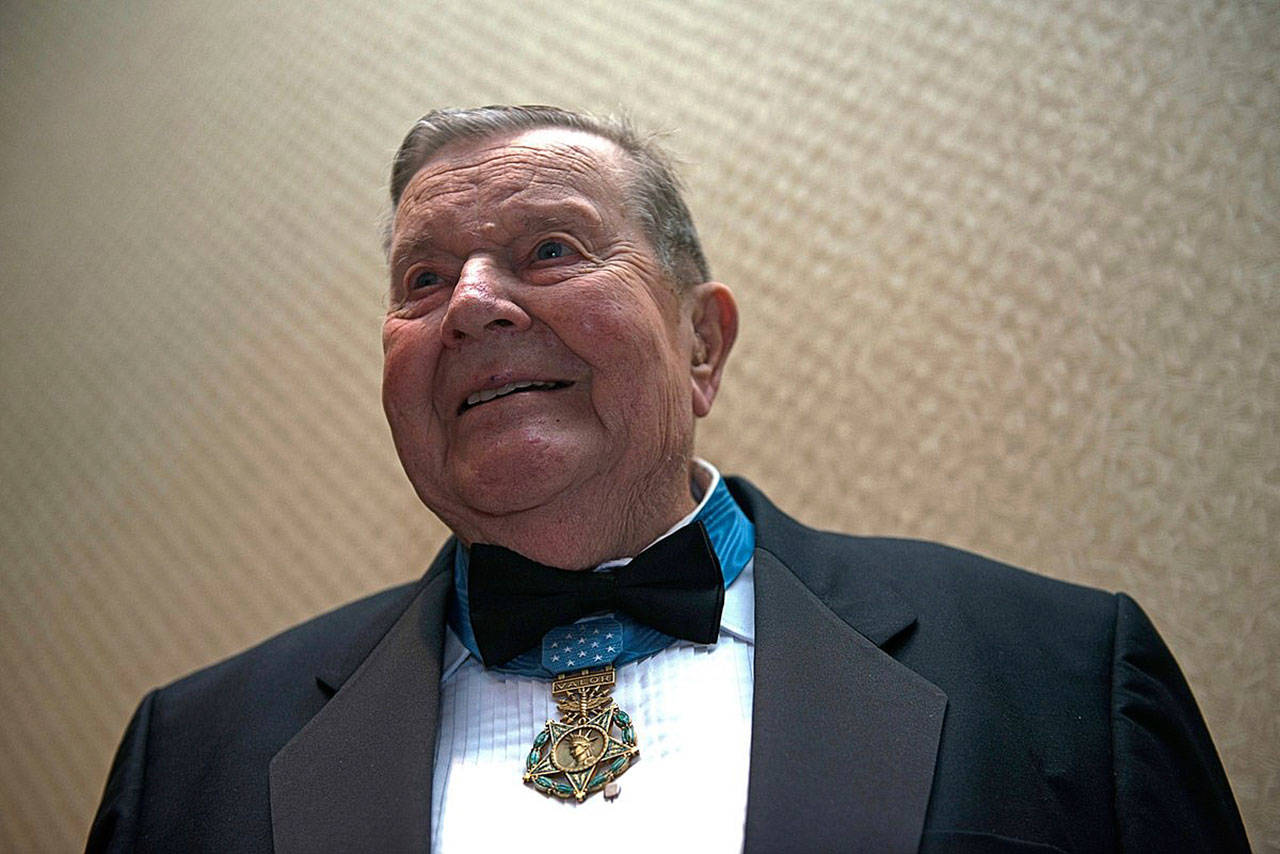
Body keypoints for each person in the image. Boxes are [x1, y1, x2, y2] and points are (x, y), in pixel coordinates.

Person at [87, 105, 1250, 853]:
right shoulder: (189, 756)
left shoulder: (1059, 676)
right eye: (424, 276)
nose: (475, 303)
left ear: (702, 344)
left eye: (550, 247)